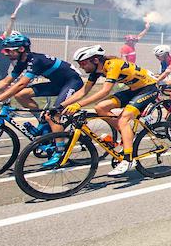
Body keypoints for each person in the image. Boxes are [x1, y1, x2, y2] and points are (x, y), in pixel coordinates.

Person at [62, 45, 159, 176]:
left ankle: (128, 159)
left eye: (83, 63)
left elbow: (105, 91)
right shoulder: (96, 71)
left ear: (95, 60)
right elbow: (83, 91)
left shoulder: (113, 65)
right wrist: (61, 106)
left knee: (124, 120)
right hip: (134, 90)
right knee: (100, 108)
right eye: (80, 64)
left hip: (148, 89)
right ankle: (126, 134)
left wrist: (78, 105)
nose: (81, 67)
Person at [0, 33, 82, 135]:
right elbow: (5, 82)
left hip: (72, 82)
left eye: (8, 51)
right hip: (58, 83)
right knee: (20, 95)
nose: (5, 54)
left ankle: (59, 150)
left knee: (54, 115)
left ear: (21, 49)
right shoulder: (22, 62)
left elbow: (20, 84)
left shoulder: (35, 61)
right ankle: (41, 120)